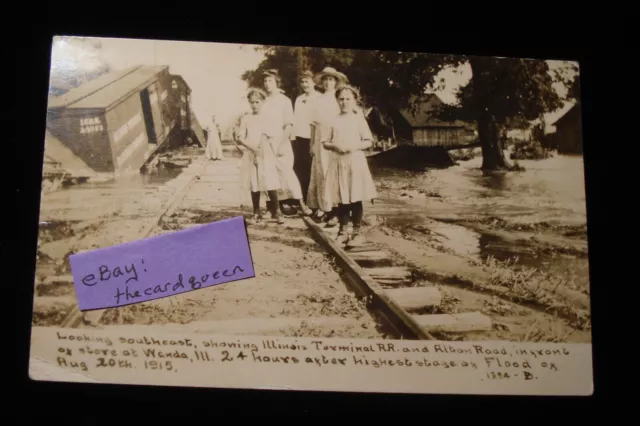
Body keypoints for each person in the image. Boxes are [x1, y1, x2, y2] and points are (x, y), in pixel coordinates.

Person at [321, 85, 377, 247]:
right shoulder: (332, 120)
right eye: (341, 99)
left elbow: (368, 141)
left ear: (354, 101)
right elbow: (325, 142)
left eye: (347, 99)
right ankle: (342, 232)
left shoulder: (358, 119)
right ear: (337, 101)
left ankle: (356, 233)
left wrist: (354, 146)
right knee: (342, 197)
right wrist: (334, 146)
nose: (344, 102)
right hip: (338, 161)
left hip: (355, 161)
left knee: (356, 196)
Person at [261, 69, 312, 216]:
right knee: (270, 174)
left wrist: (283, 142)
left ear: (276, 82)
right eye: (265, 81)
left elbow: (289, 124)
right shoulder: (263, 100)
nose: (267, 84)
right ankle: (275, 207)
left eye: (270, 81)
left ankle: (301, 204)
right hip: (266, 141)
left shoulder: (284, 100)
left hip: (281, 140)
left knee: (288, 173)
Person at [234, 87, 284, 224]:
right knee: (253, 182)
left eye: (257, 102)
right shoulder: (246, 118)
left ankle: (276, 211)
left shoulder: (268, 117)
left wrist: (262, 148)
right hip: (251, 152)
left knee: (269, 180)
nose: (254, 105)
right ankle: (256, 211)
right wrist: (253, 148)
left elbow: (272, 135)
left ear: (263, 102)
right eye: (252, 102)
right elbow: (241, 137)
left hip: (265, 152)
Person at [307, 66, 347, 227]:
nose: (328, 82)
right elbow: (313, 125)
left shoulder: (339, 99)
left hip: (334, 139)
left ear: (335, 82)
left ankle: (337, 213)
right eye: (325, 79)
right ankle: (325, 209)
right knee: (321, 174)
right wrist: (311, 144)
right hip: (319, 140)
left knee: (334, 174)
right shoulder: (316, 100)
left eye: (331, 79)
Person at [292, 70, 319, 203]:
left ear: (313, 82)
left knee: (312, 169)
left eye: (307, 81)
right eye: (302, 82)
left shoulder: (319, 98)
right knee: (300, 169)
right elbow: (296, 119)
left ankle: (314, 201)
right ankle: (303, 200)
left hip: (313, 138)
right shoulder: (299, 99)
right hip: (299, 137)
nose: (304, 84)